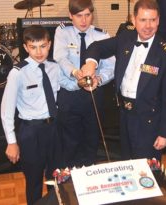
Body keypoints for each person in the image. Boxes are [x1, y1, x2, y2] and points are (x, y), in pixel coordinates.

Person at [81, 0, 166, 161]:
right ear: (133, 20)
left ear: (158, 20)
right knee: (129, 166)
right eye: (143, 20)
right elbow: (96, 47)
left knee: (147, 175)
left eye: (153, 20)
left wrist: (165, 133)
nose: (148, 26)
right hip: (124, 116)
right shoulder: (125, 38)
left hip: (149, 122)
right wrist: (90, 64)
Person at [0, 25, 60, 205]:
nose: (39, 52)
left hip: (54, 129)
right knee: (34, 180)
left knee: (56, 177)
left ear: (49, 45)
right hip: (31, 132)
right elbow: (6, 110)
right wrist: (11, 142)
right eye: (33, 47)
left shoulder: (54, 67)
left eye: (43, 46)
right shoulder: (17, 73)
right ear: (26, 48)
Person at [53, 0, 115, 167]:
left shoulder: (102, 35)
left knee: (91, 141)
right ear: (70, 16)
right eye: (79, 16)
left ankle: (88, 180)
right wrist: (75, 72)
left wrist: (99, 79)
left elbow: (111, 67)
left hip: (94, 95)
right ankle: (68, 183)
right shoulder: (63, 32)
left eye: (88, 15)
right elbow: (60, 57)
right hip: (70, 95)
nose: (84, 20)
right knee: (69, 142)